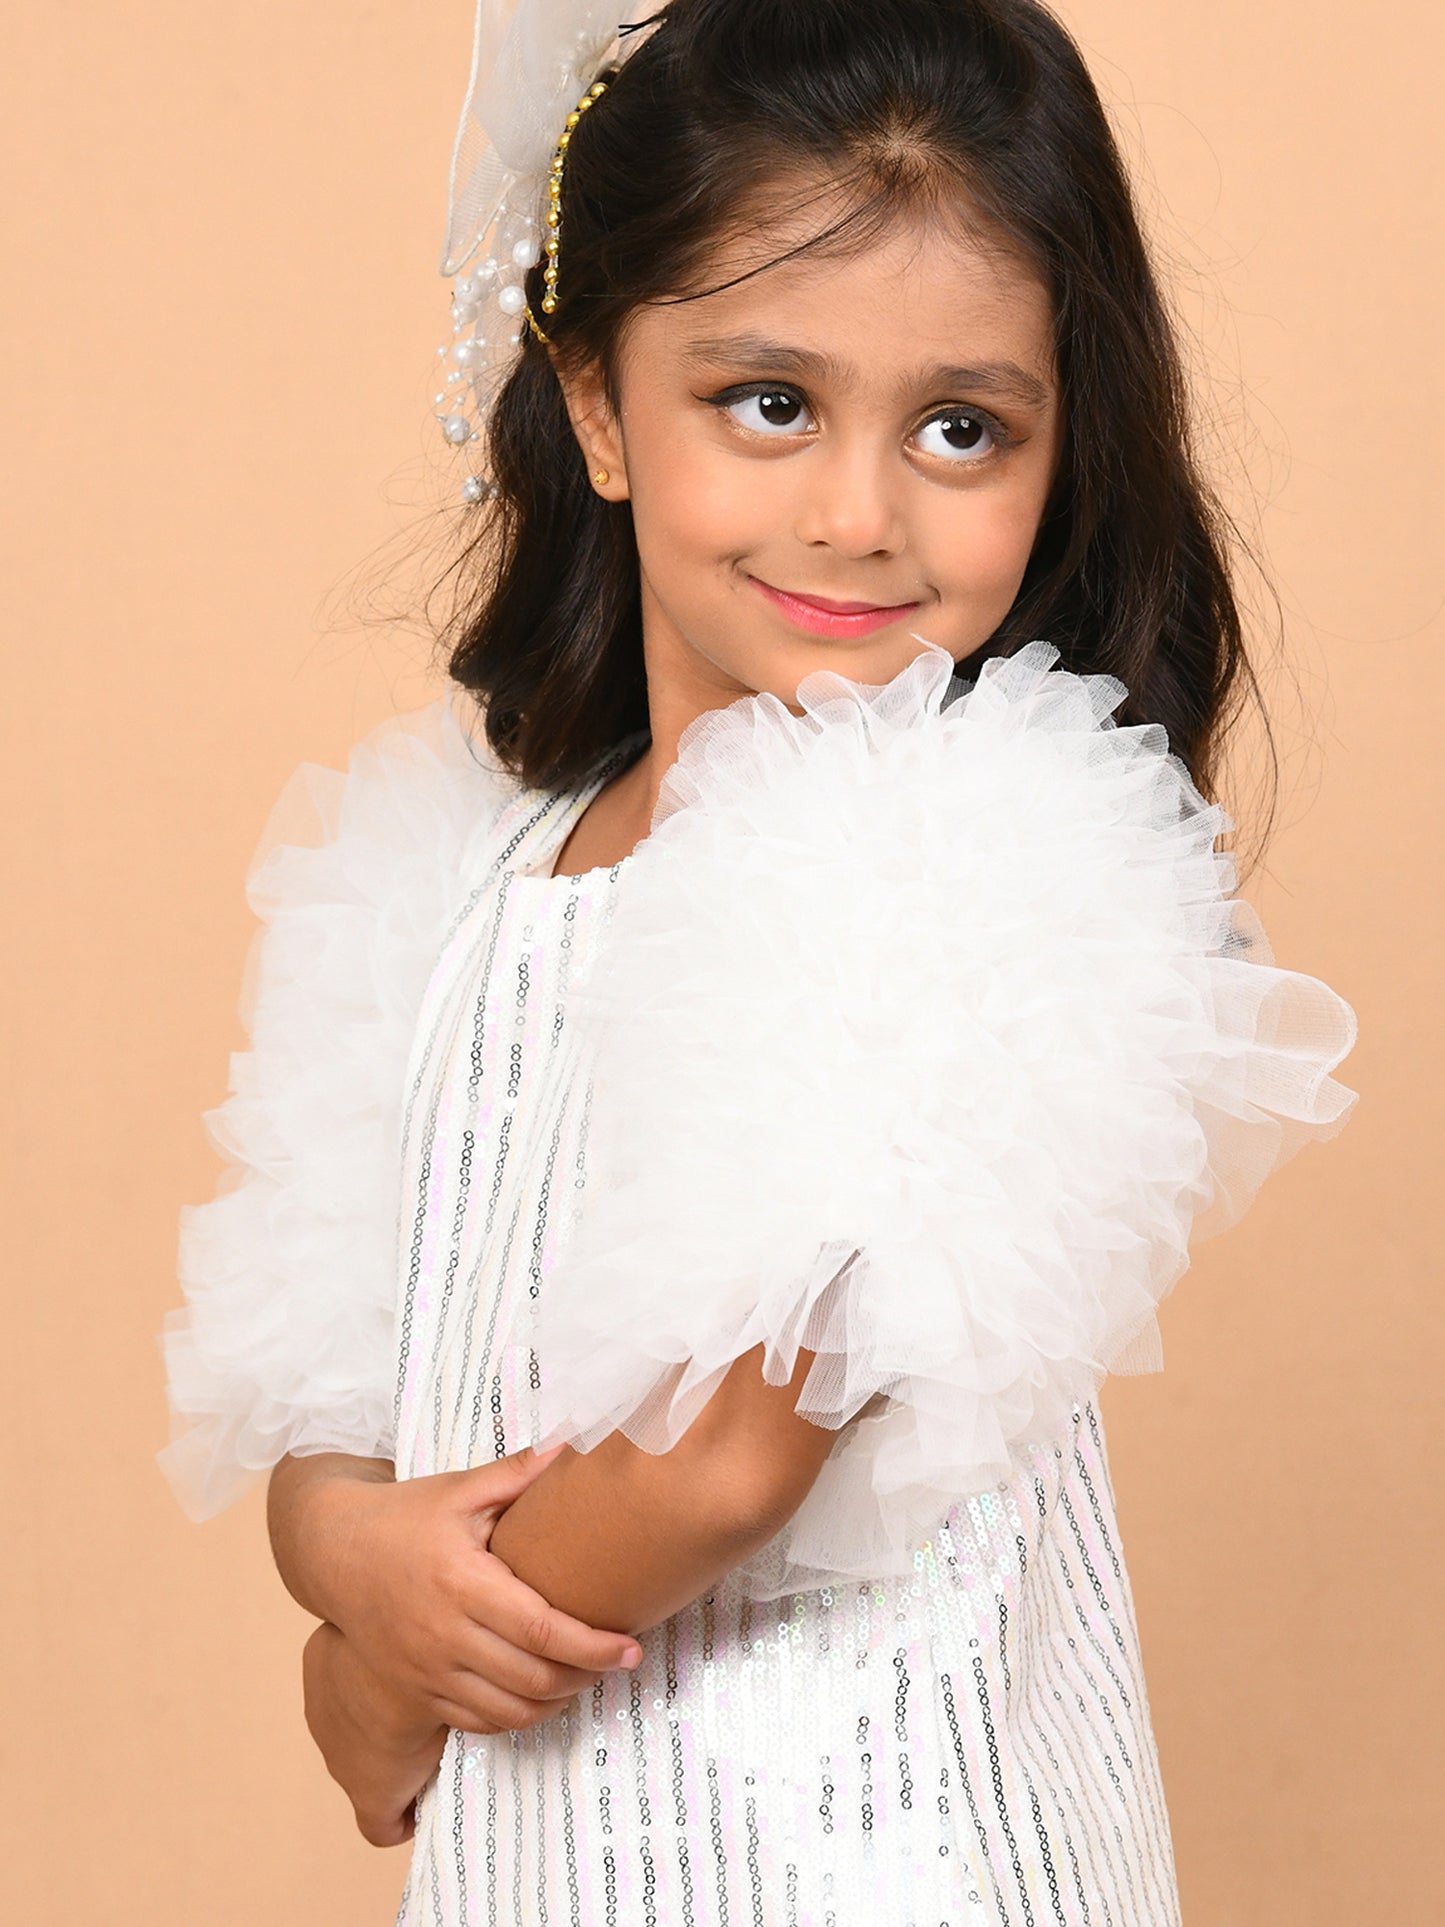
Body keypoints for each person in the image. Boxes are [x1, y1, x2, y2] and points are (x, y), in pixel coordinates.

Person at [159, 0, 1359, 1920]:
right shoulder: (464, 870)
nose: (857, 515)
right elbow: (334, 1346)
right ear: (595, 409)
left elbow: (725, 1462)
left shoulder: (970, 858)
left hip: (883, 1855)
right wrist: (339, 1550)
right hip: (555, 1852)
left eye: (960, 428)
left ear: (1062, 446)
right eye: (769, 402)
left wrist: (381, 1675)